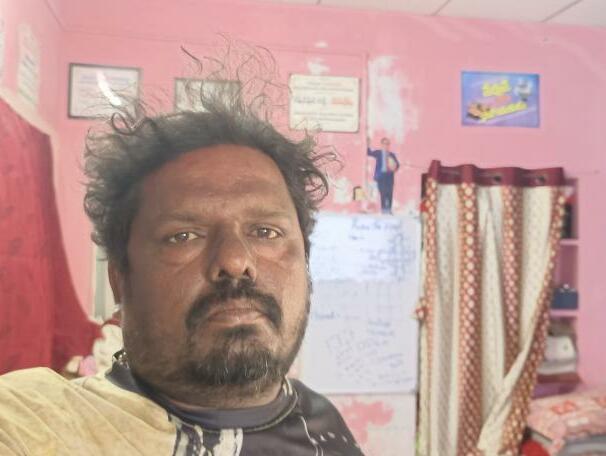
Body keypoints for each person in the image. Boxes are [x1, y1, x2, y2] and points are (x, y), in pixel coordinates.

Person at [0, 52, 364, 455]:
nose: (235, 261)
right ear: (120, 278)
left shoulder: (324, 425)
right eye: (184, 236)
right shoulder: (36, 424)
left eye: (266, 232)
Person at [367, 137, 400, 214]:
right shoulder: (378, 153)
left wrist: (394, 166)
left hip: (389, 176)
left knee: (389, 193)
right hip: (381, 177)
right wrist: (367, 144)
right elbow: (369, 153)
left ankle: (389, 210)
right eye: (385, 143)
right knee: (383, 193)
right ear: (381, 145)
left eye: (388, 144)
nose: (386, 145)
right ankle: (384, 210)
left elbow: (397, 165)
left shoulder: (392, 155)